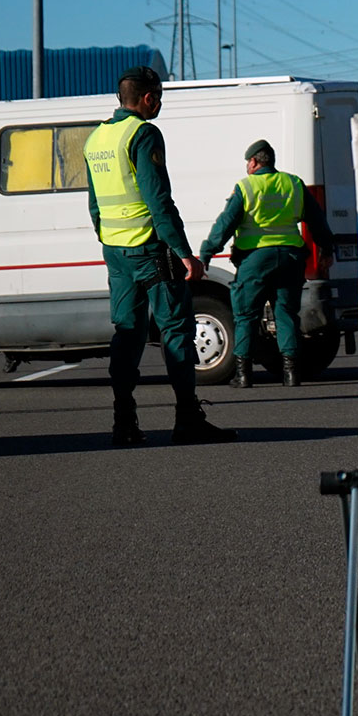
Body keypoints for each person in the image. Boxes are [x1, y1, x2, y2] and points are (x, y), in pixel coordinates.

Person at [83, 66, 236, 447]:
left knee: (127, 332)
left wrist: (111, 239)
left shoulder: (97, 138)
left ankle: (124, 422)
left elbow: (94, 205)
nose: (161, 103)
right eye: (160, 96)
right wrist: (184, 254)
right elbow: (159, 201)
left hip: (116, 250)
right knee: (176, 332)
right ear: (148, 98)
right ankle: (187, 419)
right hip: (151, 248)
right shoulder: (144, 133)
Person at [196, 139, 335, 389]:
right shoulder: (293, 184)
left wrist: (207, 252)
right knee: (286, 314)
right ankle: (291, 374)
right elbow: (317, 220)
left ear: (253, 162)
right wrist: (326, 248)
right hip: (290, 258)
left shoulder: (246, 187)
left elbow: (225, 224)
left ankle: (243, 375)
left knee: (246, 315)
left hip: (255, 261)